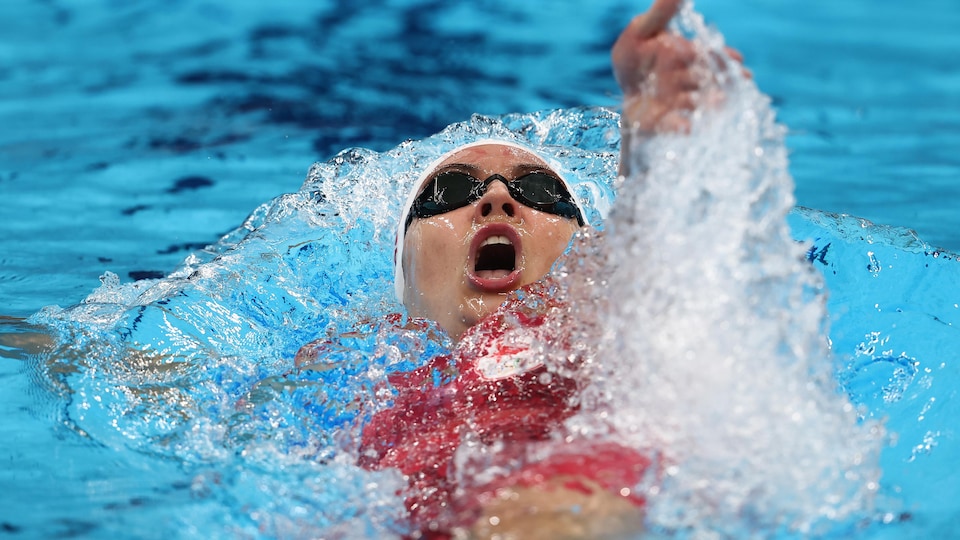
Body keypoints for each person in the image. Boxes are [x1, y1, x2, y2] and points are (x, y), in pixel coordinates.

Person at [348, 0, 750, 537]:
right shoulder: (354, 371)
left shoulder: (582, 340)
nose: (495, 197)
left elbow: (647, 265)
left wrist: (653, 145)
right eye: (450, 190)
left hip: (565, 494)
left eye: (540, 192)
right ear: (404, 262)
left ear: (582, 249)